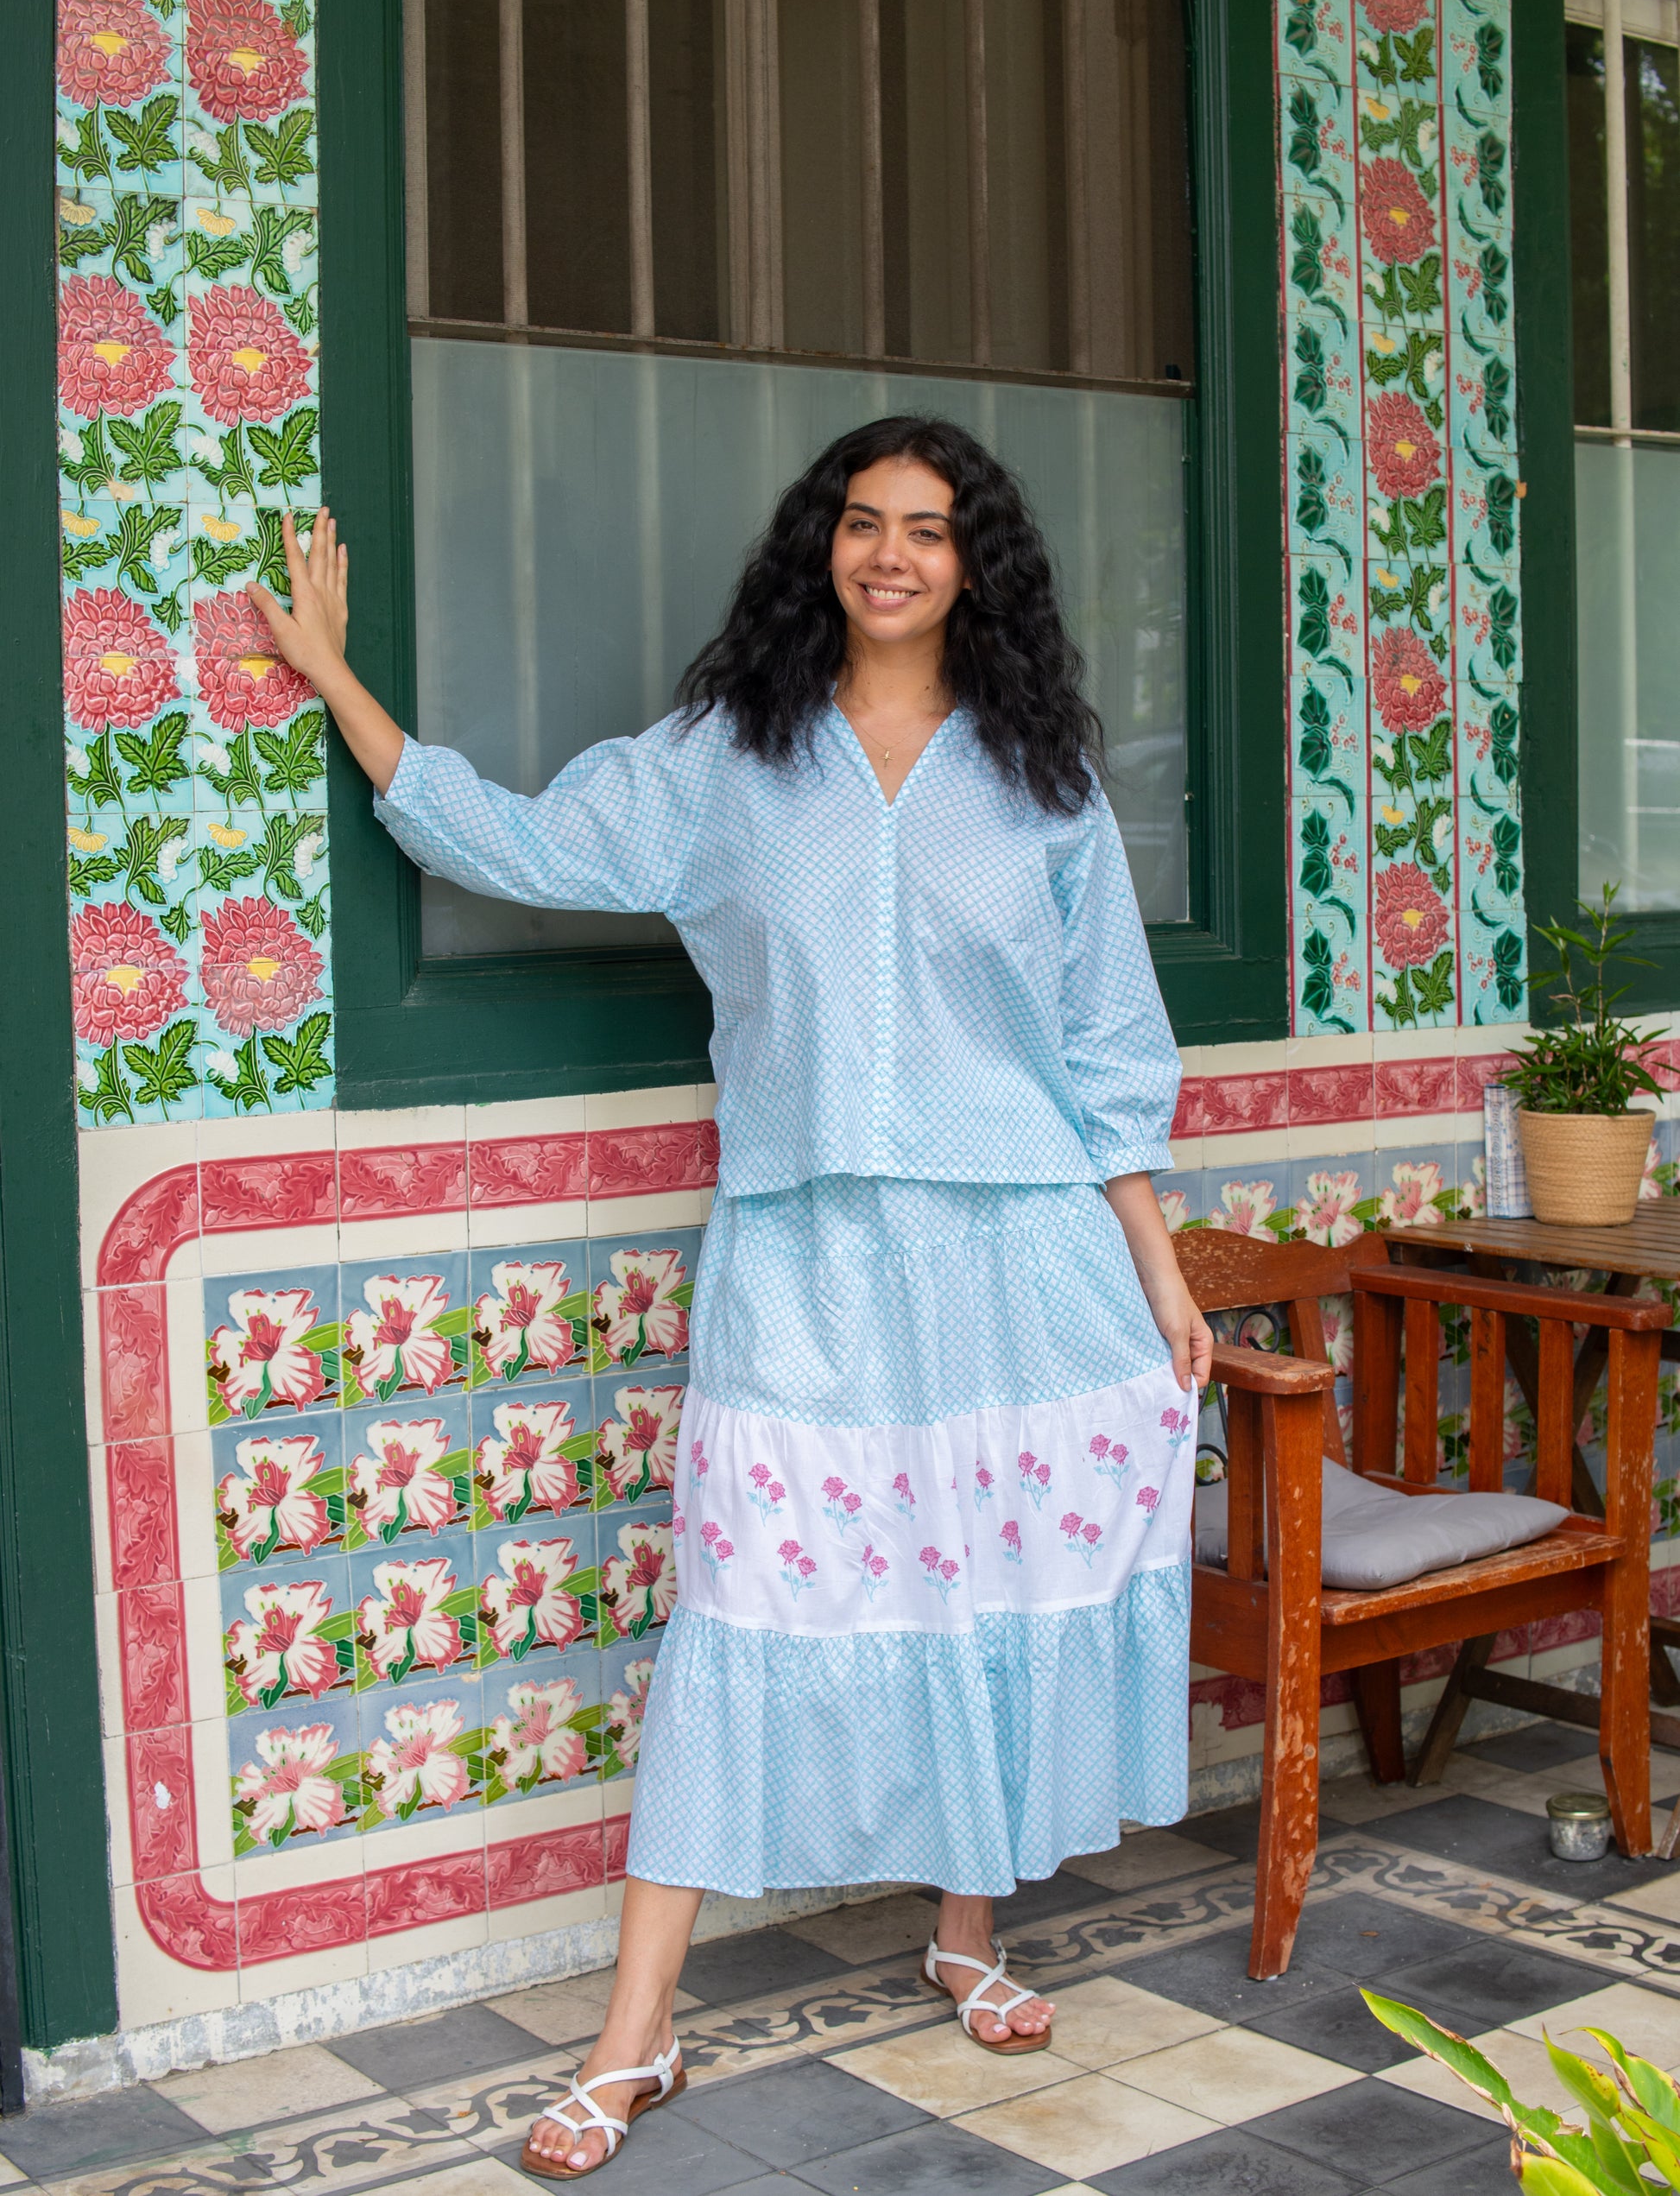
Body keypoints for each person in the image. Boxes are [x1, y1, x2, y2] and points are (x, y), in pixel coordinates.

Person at [250, 414, 1214, 2181]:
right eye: (864, 521)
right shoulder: (729, 757)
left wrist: (1156, 1268)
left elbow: (1104, 1045)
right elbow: (527, 845)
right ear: (820, 546)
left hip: (1020, 1248)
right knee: (748, 1600)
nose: (894, 553)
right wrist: (337, 682)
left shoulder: (1042, 770)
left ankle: (968, 1929)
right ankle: (637, 2035)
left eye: (931, 527)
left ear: (975, 562)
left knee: (979, 1575)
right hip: (805, 1247)